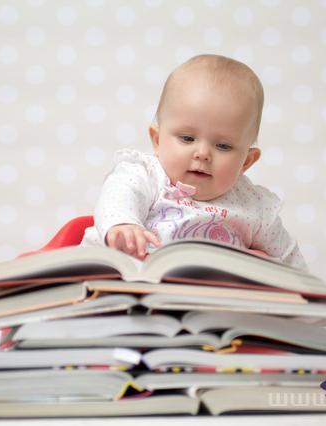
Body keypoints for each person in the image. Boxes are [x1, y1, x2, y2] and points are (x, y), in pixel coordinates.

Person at [81, 54, 307, 270]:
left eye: (223, 146)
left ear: (246, 161)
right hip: (123, 281)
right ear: (157, 141)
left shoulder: (254, 206)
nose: (202, 153)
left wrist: (308, 294)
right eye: (187, 138)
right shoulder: (146, 174)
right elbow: (119, 195)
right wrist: (123, 224)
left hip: (205, 298)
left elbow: (287, 256)